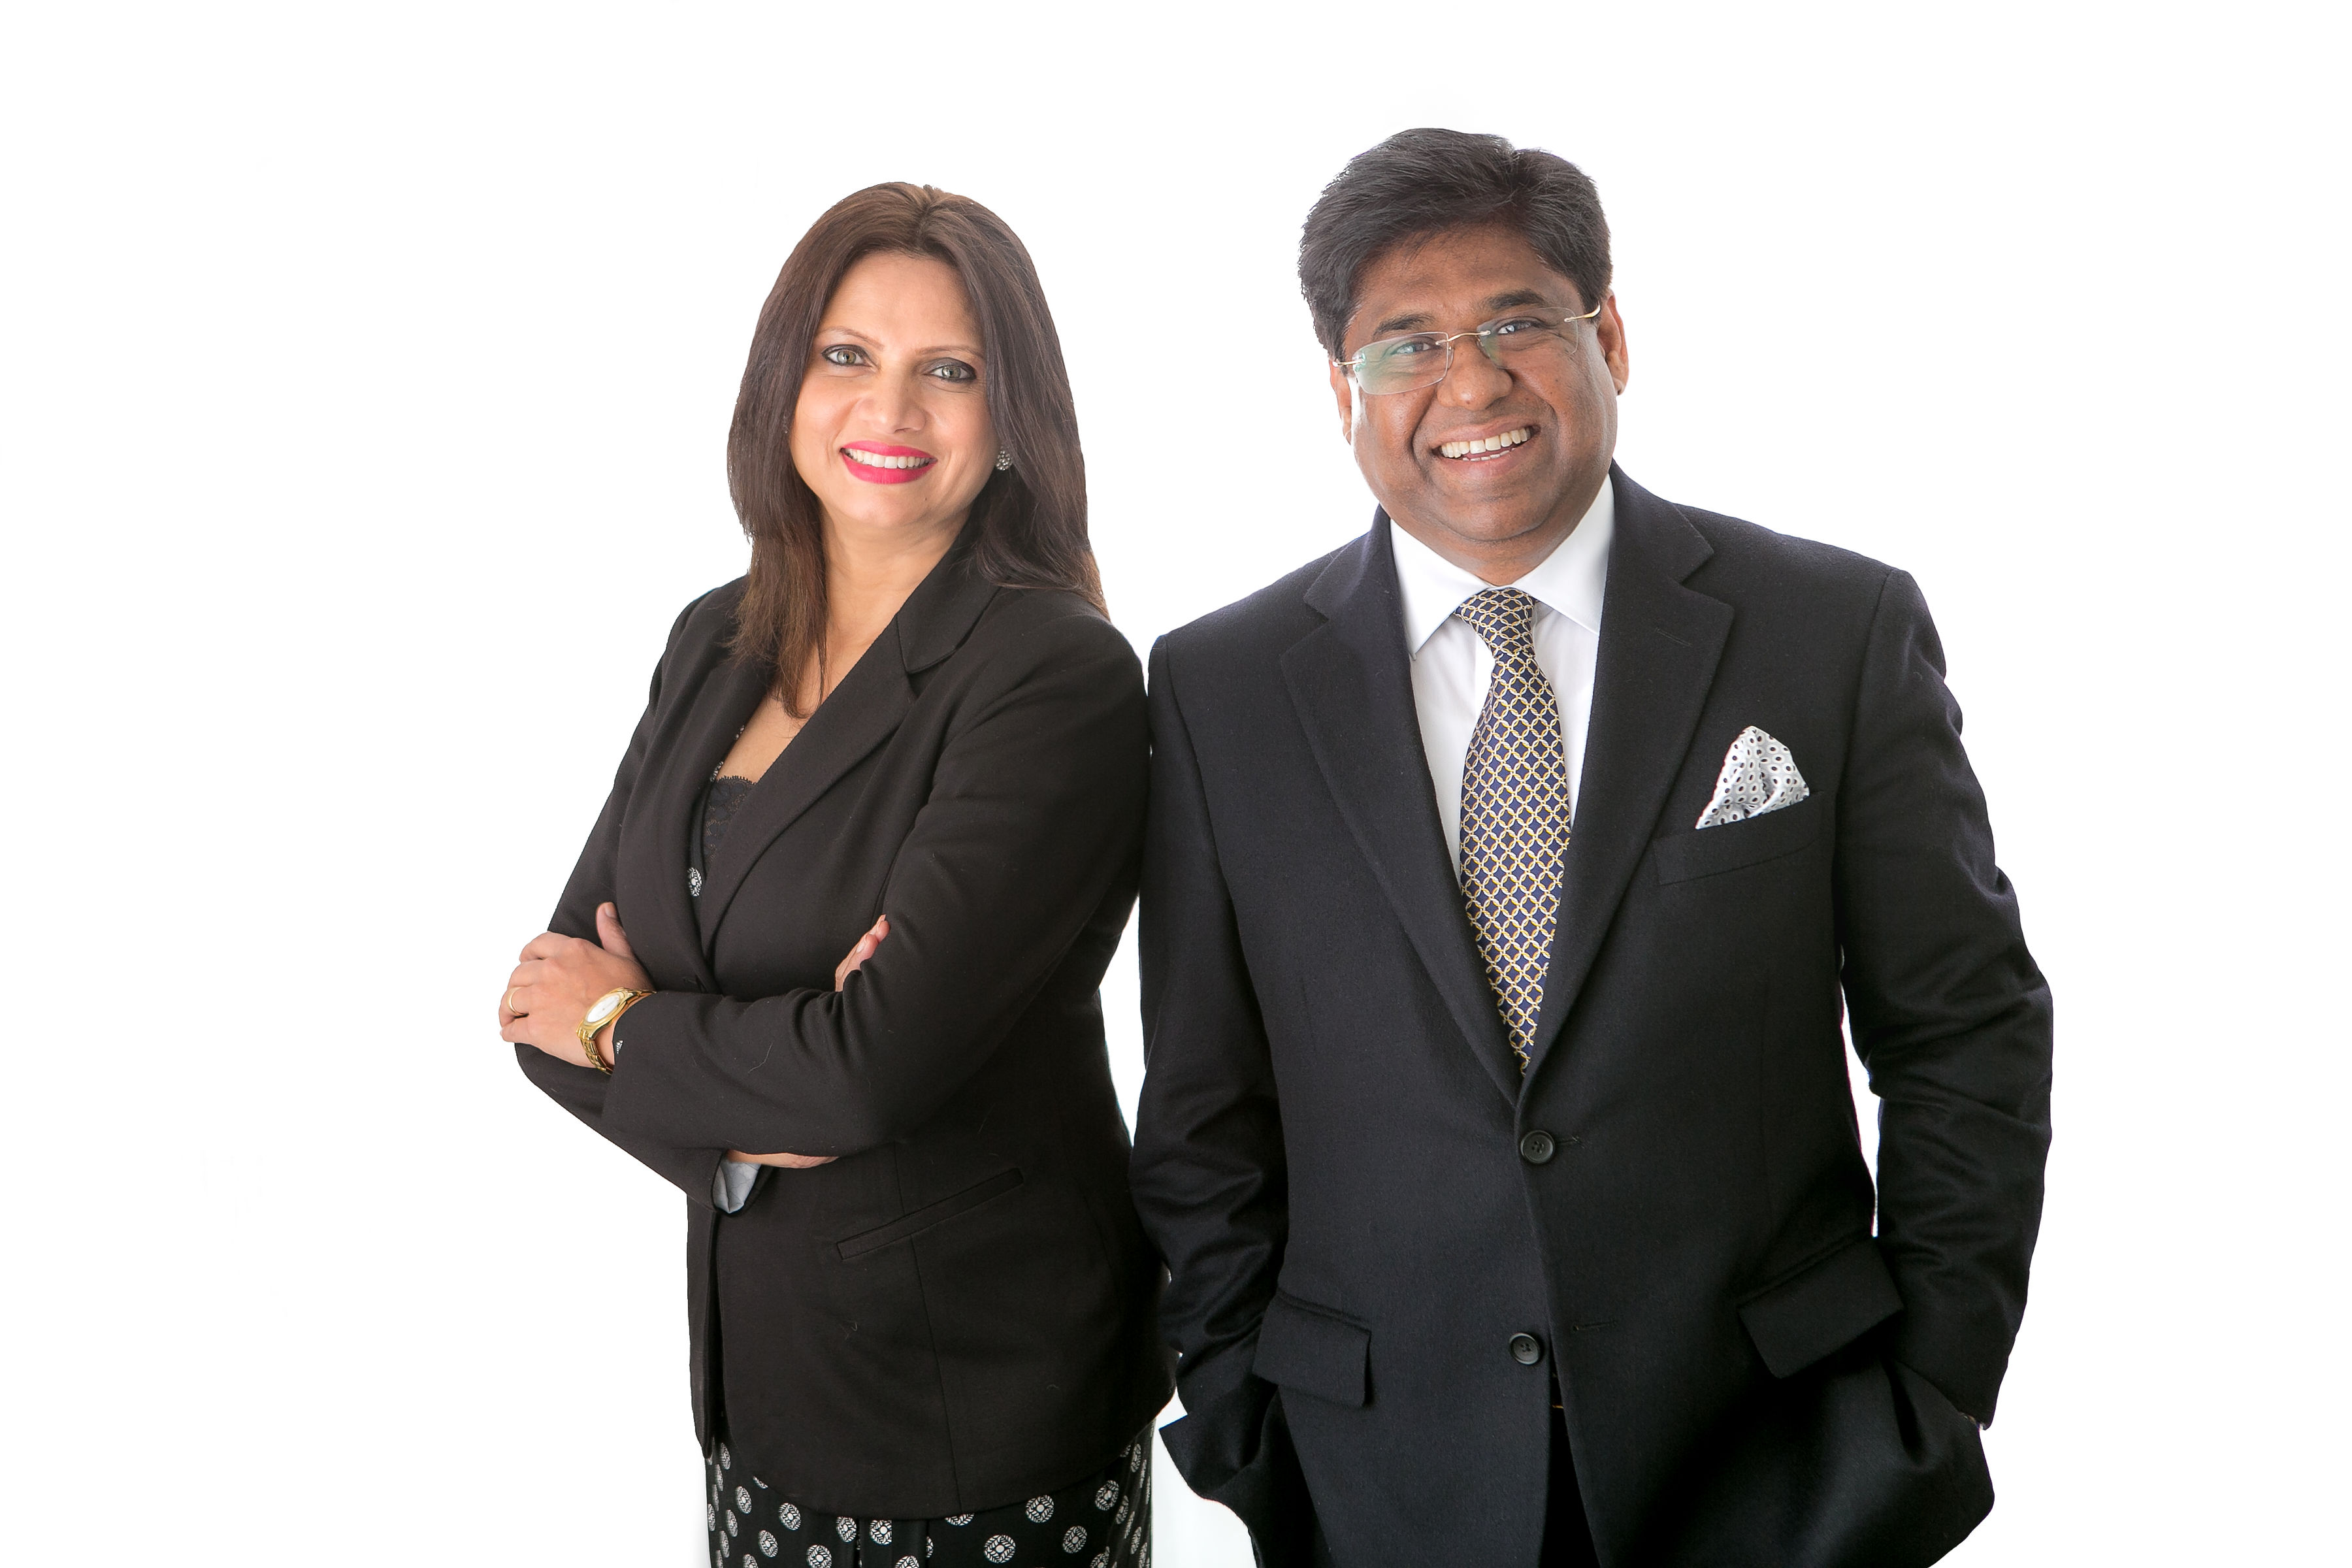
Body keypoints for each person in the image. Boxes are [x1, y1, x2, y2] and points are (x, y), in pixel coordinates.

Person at [1130, 129, 2053, 1567]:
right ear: (1342, 392)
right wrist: (1248, 1413)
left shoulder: (1829, 631)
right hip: (1380, 1476)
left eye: (1518, 324)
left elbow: (1964, 1030)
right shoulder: (1220, 690)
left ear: (1609, 337)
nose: (1471, 384)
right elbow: (1202, 1113)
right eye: (1407, 344)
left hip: (1779, 1455)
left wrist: (1931, 1385)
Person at [501, 182, 1169, 1568]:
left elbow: (865, 1073)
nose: (892, 409)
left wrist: (631, 1024)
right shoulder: (714, 641)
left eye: (951, 371)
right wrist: (752, 1100)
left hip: (979, 1410)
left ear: (1014, 413)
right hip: (761, 1388)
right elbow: (540, 1004)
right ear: (783, 383)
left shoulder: (1052, 675)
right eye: (847, 355)